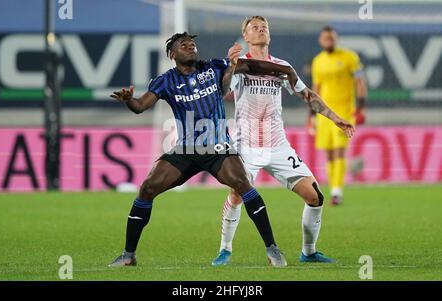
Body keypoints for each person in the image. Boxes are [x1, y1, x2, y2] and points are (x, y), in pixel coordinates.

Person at [108, 32, 303, 267]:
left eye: (192, 44)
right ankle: (129, 255)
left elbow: (238, 77)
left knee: (243, 184)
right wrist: (129, 99)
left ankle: (272, 249)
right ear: (172, 54)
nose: (190, 46)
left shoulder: (214, 67)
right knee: (147, 188)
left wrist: (272, 69)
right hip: (186, 150)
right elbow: (140, 106)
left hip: (218, 147)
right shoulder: (166, 81)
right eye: (183, 45)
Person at [211, 16, 355, 266]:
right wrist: (231, 65)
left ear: (270, 34)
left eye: (264, 27)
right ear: (246, 37)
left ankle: (308, 252)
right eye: (254, 28)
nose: (260, 30)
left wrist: (334, 117)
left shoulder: (282, 66)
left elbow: (306, 94)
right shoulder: (240, 65)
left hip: (277, 145)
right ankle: (224, 250)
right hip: (247, 145)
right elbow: (223, 92)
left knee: (315, 196)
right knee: (236, 195)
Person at [309, 26, 367, 205]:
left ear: (336, 39)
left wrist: (361, 107)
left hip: (344, 112)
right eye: (326, 38)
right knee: (329, 153)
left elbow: (360, 82)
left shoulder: (350, 57)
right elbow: (315, 89)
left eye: (332, 38)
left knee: (340, 151)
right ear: (321, 40)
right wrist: (311, 114)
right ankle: (334, 188)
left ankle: (336, 191)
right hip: (324, 114)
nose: (329, 41)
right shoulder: (318, 61)